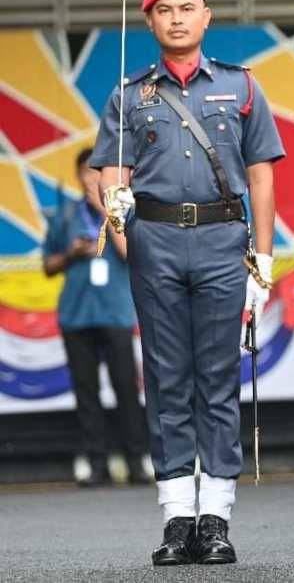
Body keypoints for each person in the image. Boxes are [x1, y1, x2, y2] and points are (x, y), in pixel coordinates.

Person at [89, 0, 285, 566]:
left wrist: (265, 262)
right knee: (168, 379)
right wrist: (116, 207)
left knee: (218, 380)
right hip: (157, 242)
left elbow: (263, 176)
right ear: (149, 23)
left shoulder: (242, 87)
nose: (177, 17)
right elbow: (110, 175)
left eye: (188, 8)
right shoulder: (128, 95)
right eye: (165, 10)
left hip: (226, 243)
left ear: (206, 17)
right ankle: (177, 516)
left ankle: (216, 517)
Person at [42, 147, 150, 489]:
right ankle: (97, 462)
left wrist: (103, 210)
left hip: (116, 312)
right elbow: (48, 265)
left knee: (126, 389)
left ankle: (137, 462)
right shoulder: (64, 215)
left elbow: (132, 255)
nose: (90, 179)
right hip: (76, 315)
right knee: (86, 392)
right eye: (85, 173)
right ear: (77, 176)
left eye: (96, 173)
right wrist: (70, 254)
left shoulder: (123, 213)